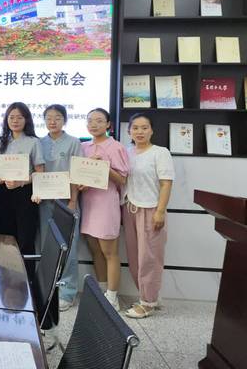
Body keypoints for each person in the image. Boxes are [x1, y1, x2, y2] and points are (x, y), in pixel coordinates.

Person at [123, 113, 174, 318]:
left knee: (149, 258)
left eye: (144, 127)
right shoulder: (126, 152)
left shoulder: (160, 153)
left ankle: (147, 303)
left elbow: (166, 183)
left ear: (152, 130)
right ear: (129, 131)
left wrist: (160, 211)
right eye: (135, 128)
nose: (140, 132)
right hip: (129, 208)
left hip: (152, 209)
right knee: (135, 257)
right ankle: (149, 296)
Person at [80, 107, 129, 310]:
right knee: (95, 251)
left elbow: (123, 179)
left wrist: (104, 167)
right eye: (90, 120)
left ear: (108, 124)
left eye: (99, 121)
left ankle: (113, 296)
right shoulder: (83, 147)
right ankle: (102, 291)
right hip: (88, 203)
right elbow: (79, 175)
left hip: (106, 204)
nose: (94, 124)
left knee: (110, 252)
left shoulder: (116, 147)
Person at [38, 104, 83, 311]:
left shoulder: (73, 142)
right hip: (45, 202)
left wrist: (73, 200)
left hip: (67, 202)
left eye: (57, 117)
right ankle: (48, 288)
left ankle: (67, 292)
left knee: (69, 248)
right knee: (47, 245)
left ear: (65, 120)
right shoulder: (40, 142)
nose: (53, 121)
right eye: (48, 117)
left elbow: (76, 172)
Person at [0, 102, 45, 253]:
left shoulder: (33, 142)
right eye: (11, 117)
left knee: (26, 238)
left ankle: (26, 269)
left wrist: (21, 182)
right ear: (6, 120)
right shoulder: (1, 141)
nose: (15, 121)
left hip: (25, 193)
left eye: (19, 117)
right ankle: (7, 269)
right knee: (6, 238)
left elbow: (40, 172)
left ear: (26, 120)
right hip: (4, 192)